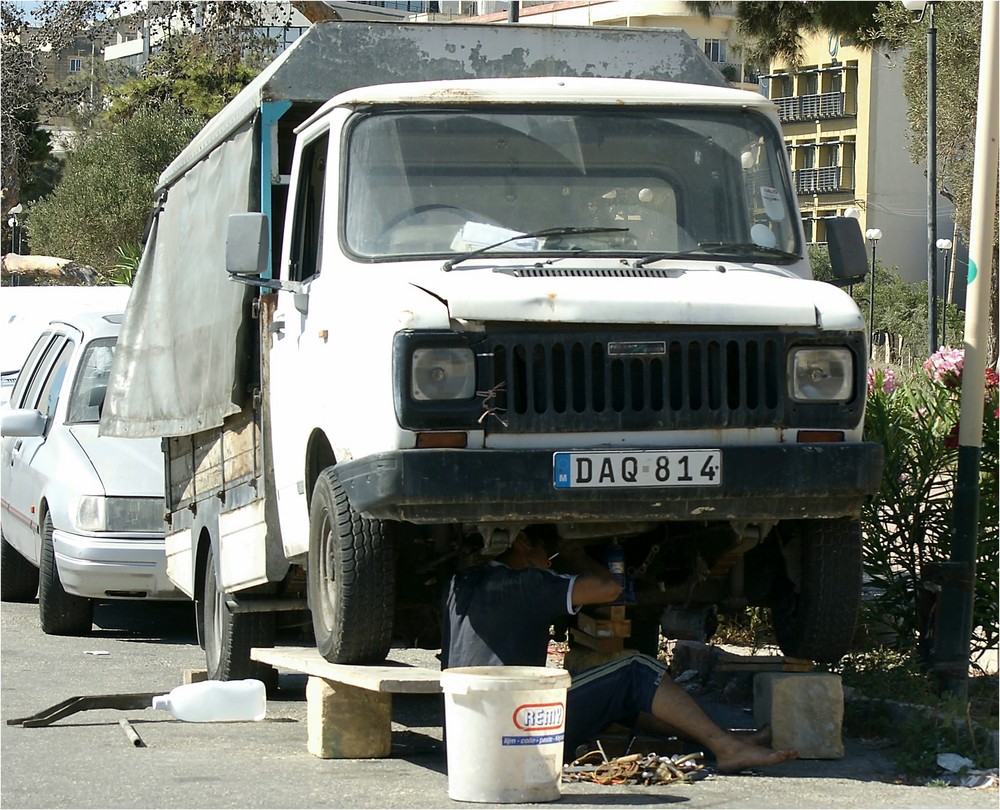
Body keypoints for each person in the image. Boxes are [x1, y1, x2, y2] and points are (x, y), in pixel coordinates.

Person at [441, 531, 798, 774]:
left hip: (468, 735)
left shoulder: (460, 584)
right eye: (544, 555)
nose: (549, 564)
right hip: (519, 735)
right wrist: (573, 551)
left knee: (621, 696)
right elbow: (608, 588)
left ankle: (725, 740)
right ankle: (727, 747)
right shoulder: (526, 583)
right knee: (636, 668)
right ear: (521, 542)